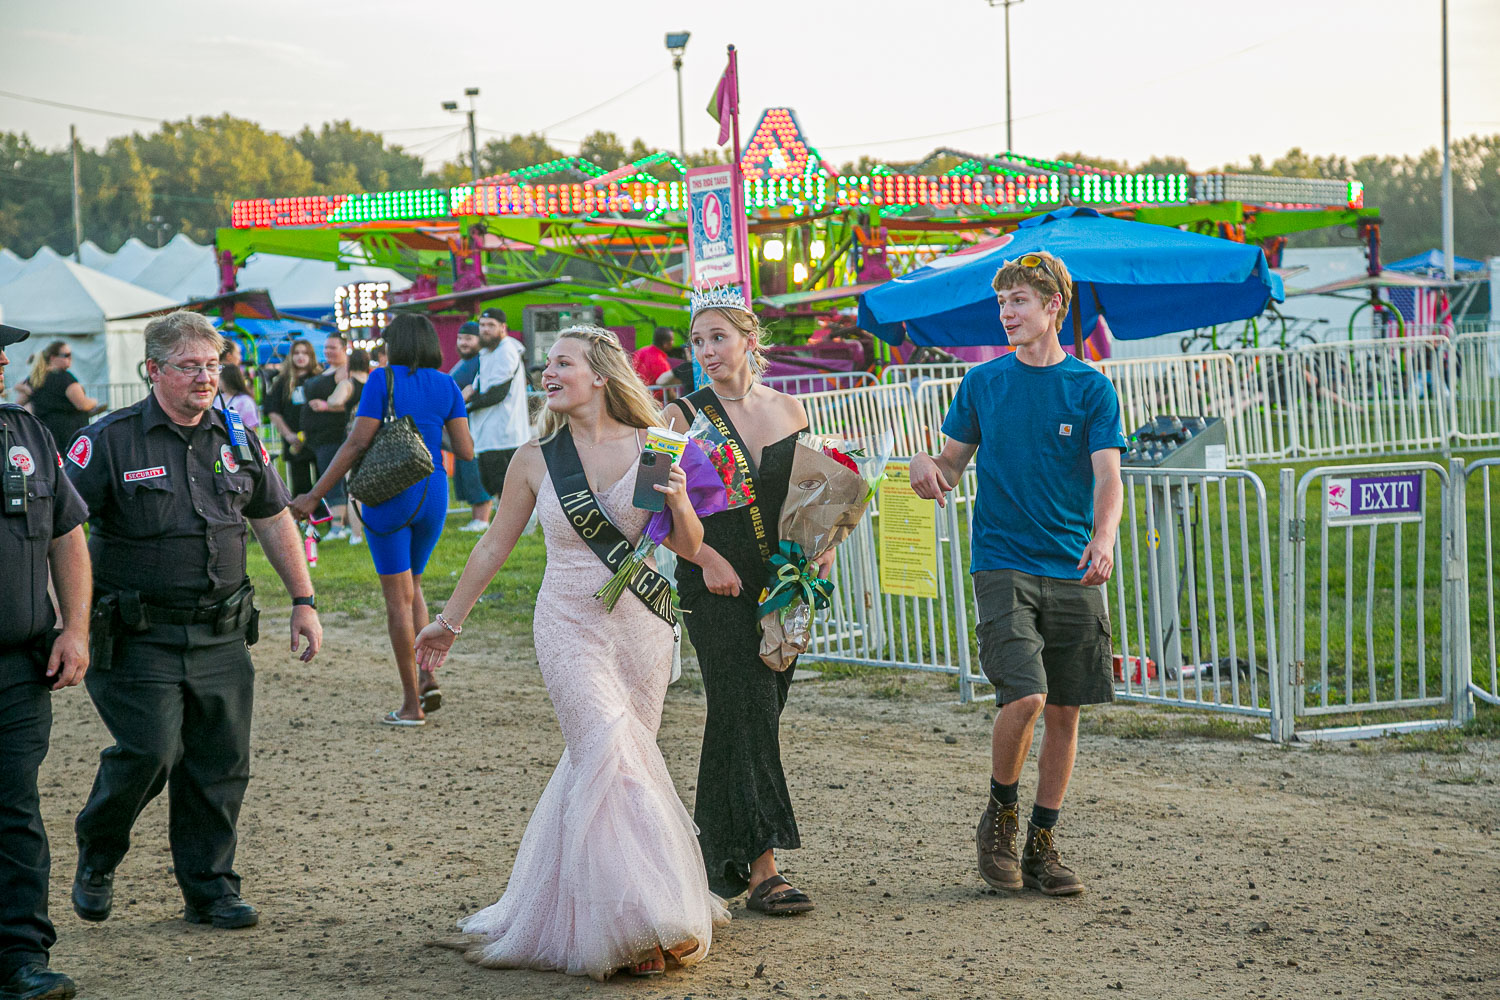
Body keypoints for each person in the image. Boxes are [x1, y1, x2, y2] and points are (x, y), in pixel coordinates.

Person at [414, 325, 728, 980]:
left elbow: (687, 543)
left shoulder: (653, 446)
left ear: (601, 377)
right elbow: (492, 546)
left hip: (641, 624)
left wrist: (675, 497)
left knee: (612, 763)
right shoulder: (536, 457)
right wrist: (448, 621)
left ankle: (599, 905)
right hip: (566, 624)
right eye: (546, 364)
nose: (547, 372)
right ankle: (639, 922)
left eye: (562, 363)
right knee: (609, 752)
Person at [63, 310, 323, 931]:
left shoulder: (235, 435)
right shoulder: (108, 440)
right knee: (150, 751)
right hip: (137, 635)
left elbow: (272, 516)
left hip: (221, 633)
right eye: (190, 367)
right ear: (153, 370)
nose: (206, 378)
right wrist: (65, 620)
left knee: (219, 763)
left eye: (212, 365)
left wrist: (304, 600)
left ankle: (210, 889)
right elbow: (62, 531)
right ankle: (99, 852)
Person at [908, 251, 1124, 897]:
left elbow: (1109, 478)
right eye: (1002, 304)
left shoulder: (1091, 388)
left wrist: (1103, 538)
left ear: (1053, 306)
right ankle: (1000, 814)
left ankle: (1043, 842)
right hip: (1001, 561)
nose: (1006, 314)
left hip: (1072, 565)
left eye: (1019, 302)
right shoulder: (983, 384)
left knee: (1065, 711)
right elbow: (948, 464)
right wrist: (926, 466)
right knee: (1025, 696)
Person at [662, 290, 828, 913]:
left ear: (749, 341)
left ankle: (711, 858)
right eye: (697, 341)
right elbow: (658, 511)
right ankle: (764, 869)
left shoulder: (790, 409)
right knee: (746, 706)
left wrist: (823, 545)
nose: (705, 352)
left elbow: (812, 497)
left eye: (717, 338)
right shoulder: (680, 416)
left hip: (782, 582)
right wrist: (706, 560)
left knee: (750, 715)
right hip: (714, 583)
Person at [289, 315, 472, 725]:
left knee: (397, 601)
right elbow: (465, 449)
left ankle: (411, 706)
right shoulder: (447, 384)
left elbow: (357, 443)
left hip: (390, 494)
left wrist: (314, 495)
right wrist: (424, 430)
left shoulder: (381, 379)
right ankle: (426, 677)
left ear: (395, 344)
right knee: (414, 586)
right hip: (433, 493)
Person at [0, 322, 91, 1000]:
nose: (3, 359)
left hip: (15, 666)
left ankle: (21, 958)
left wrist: (75, 628)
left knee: (14, 812)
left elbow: (66, 533)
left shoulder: (28, 435)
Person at [467, 308, 529, 504]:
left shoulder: (506, 351)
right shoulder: (488, 352)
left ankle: (525, 522)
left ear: (503, 328)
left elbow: (497, 393)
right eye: (482, 325)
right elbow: (481, 388)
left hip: (504, 434)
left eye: (491, 325)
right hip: (489, 433)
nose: (485, 330)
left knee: (505, 488)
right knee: (495, 487)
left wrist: (466, 408)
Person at [299, 334, 351, 540]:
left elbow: (348, 401)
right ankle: (337, 524)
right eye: (327, 348)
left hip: (334, 435)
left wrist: (326, 406)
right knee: (327, 478)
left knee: (334, 480)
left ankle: (339, 527)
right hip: (318, 437)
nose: (328, 351)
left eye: (333, 347)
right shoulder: (326, 370)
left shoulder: (344, 372)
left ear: (344, 348)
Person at [448, 322, 493, 532]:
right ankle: (477, 518)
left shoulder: (483, 361)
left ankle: (482, 520)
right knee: (466, 471)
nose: (463, 343)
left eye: (468, 338)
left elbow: (477, 390)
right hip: (462, 426)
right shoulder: (463, 363)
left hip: (478, 427)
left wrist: (464, 397)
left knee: (476, 472)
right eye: (460, 338)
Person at [263, 339, 318, 496]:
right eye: (297, 353)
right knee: (300, 485)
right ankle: (304, 519)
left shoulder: (319, 378)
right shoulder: (283, 381)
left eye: (305, 353)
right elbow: (273, 411)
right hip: (294, 441)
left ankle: (327, 516)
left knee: (324, 482)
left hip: (317, 440)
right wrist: (288, 435)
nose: (300, 357)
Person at [28, 340, 101, 451]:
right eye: (66, 355)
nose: (70, 358)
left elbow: (20, 402)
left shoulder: (36, 378)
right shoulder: (65, 378)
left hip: (45, 436)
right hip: (68, 437)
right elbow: (82, 404)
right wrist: (94, 401)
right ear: (53, 357)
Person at [217, 361, 260, 434]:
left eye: (220, 379)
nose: (218, 382)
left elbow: (251, 427)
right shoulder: (218, 398)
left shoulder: (245, 401)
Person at [632, 327, 675, 399]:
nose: (673, 343)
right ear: (665, 344)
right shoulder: (661, 363)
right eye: (672, 340)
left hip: (637, 399)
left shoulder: (641, 351)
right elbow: (668, 392)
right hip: (654, 405)